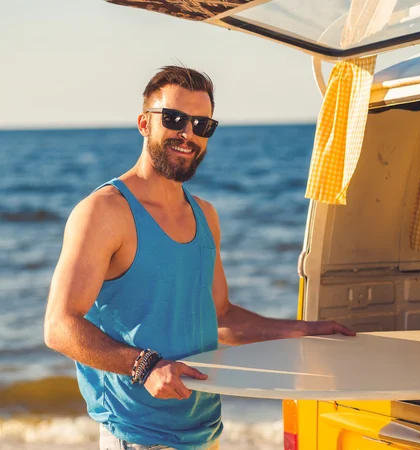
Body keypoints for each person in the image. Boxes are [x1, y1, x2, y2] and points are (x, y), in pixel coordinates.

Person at [43, 65, 355, 450]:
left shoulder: (205, 214)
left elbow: (221, 316)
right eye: (173, 119)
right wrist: (145, 366)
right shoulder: (105, 211)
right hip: (139, 436)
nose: (187, 134)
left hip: (205, 431)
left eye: (201, 124)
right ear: (144, 123)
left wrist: (303, 331)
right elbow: (59, 326)